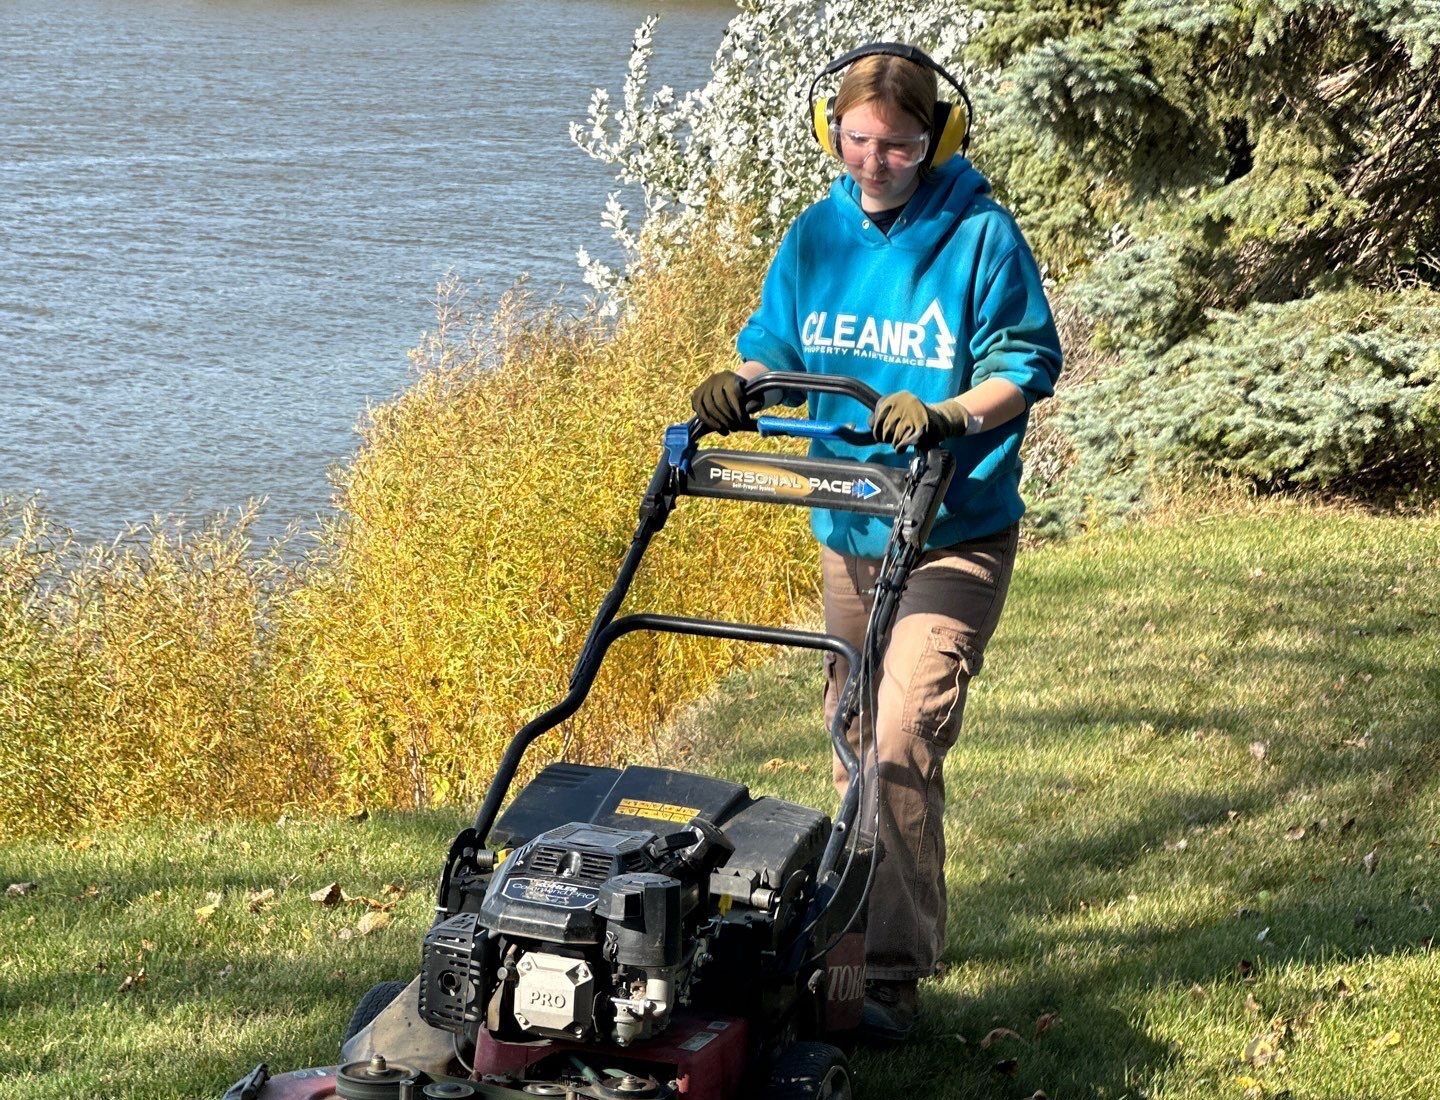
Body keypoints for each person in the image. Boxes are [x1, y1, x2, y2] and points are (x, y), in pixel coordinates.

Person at [689, 43, 1062, 1041]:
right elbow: (776, 345)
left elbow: (1025, 364)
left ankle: (891, 971)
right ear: (831, 133)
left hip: (954, 530)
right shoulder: (816, 234)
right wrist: (742, 384)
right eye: (856, 142)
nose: (872, 163)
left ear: (936, 139)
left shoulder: (979, 236)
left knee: (901, 732)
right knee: (855, 726)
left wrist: (947, 414)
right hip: (851, 522)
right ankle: (840, 942)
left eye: (895, 146)